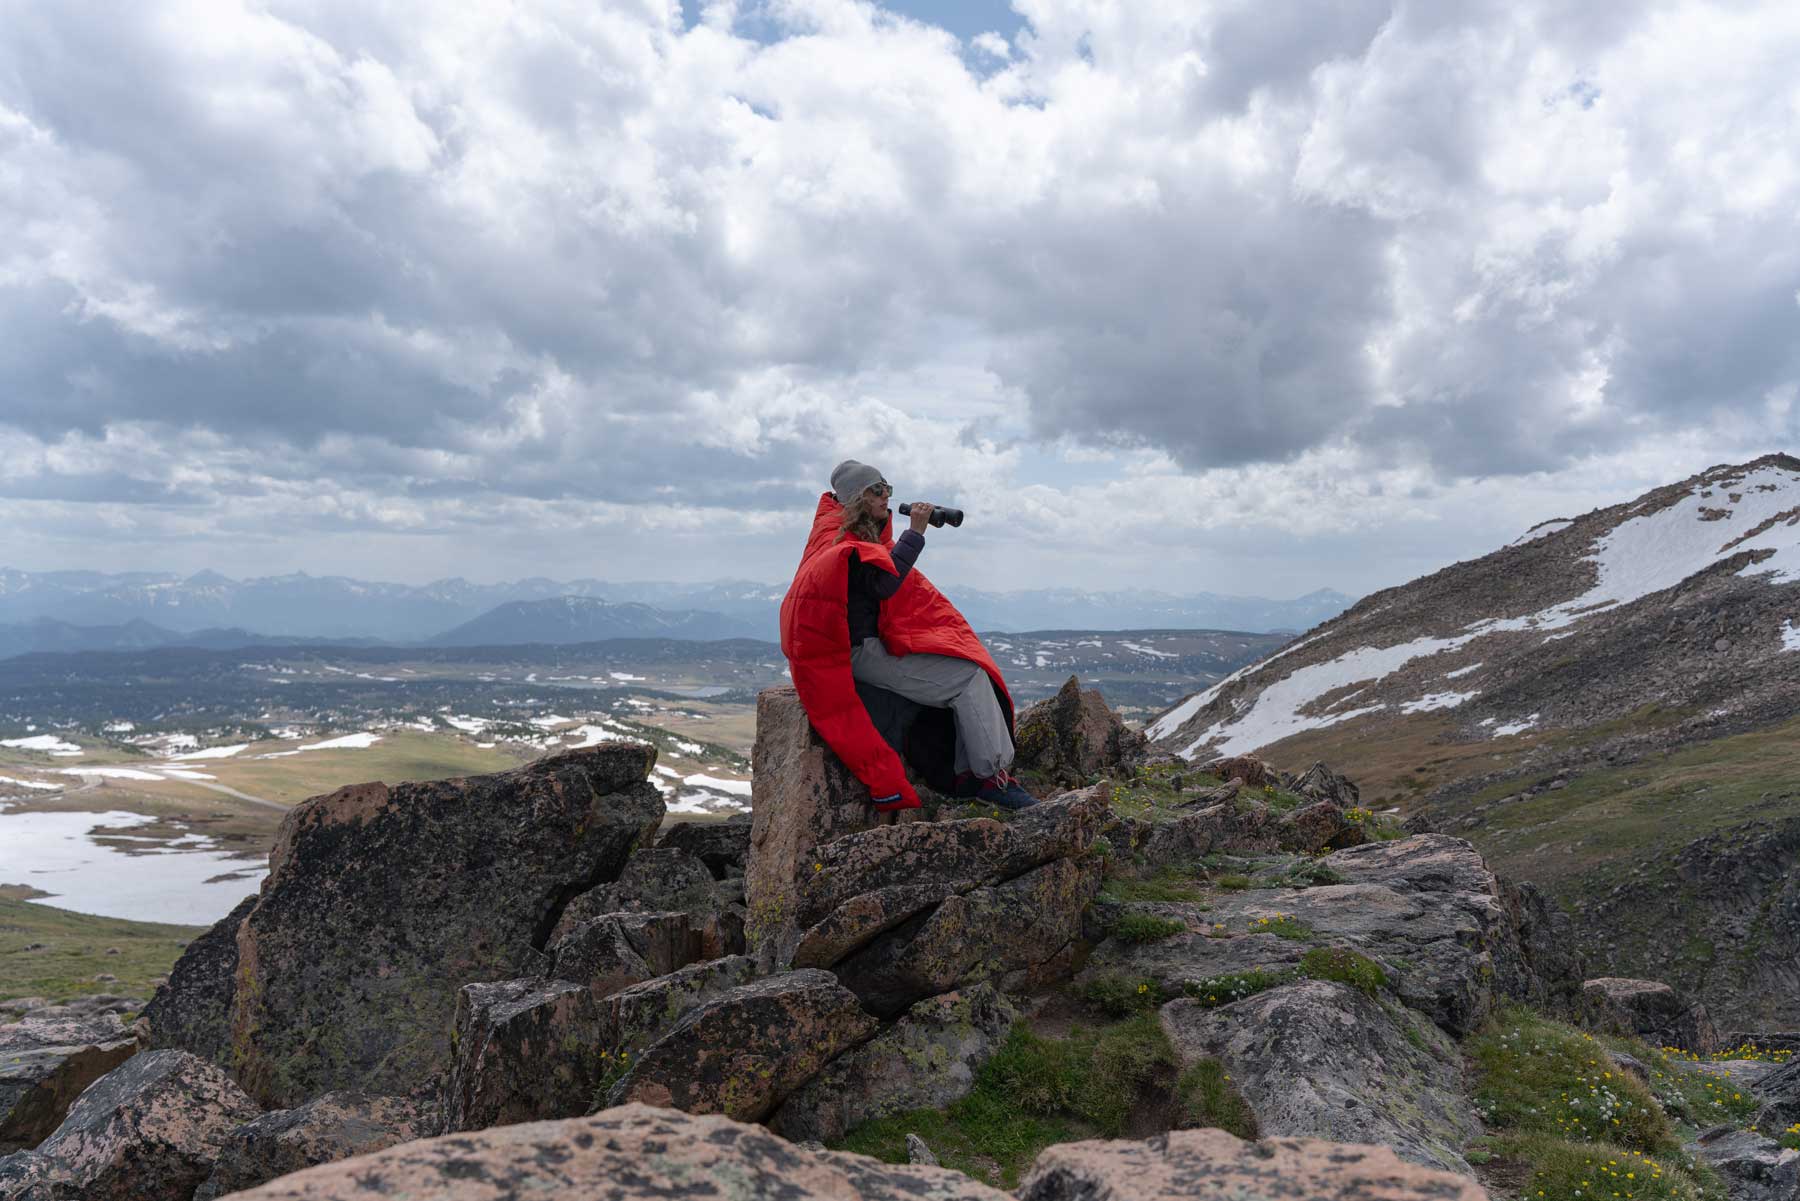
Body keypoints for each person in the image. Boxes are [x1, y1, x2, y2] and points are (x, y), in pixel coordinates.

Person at [778, 459, 1036, 812]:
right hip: (857, 652)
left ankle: (969, 774)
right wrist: (915, 533)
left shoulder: (844, 532)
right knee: (968, 679)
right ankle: (991, 779)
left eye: (888, 488)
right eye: (877, 490)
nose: (886, 496)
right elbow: (883, 583)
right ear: (857, 497)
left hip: (863, 644)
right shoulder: (841, 541)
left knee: (963, 671)